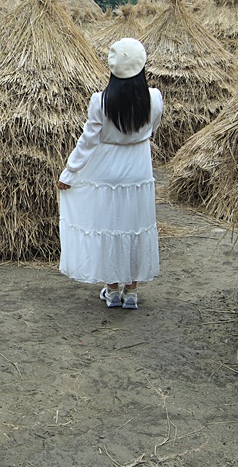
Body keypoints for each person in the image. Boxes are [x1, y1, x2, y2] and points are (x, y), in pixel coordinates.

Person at [56, 38, 163, 309]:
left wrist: (70, 171)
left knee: (109, 227)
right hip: (138, 172)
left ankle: (113, 289)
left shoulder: (100, 101)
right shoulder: (153, 98)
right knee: (135, 227)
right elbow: (152, 128)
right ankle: (132, 291)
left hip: (107, 172)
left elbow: (88, 141)